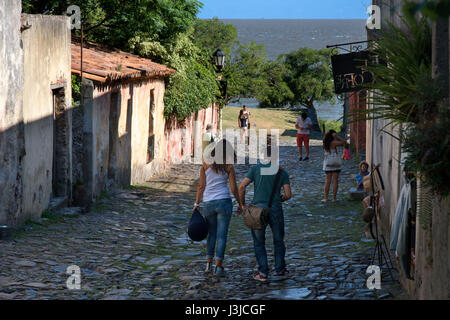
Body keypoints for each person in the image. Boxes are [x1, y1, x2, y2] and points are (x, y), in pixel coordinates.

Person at [238, 139, 292, 282]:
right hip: (275, 209)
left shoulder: (255, 169)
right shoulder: (282, 172)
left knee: (259, 242)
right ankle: (280, 270)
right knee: (278, 240)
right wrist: (279, 199)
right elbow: (288, 194)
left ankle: (263, 272)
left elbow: (241, 187)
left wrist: (242, 205)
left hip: (257, 210)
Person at [194, 139, 243, 277]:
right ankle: (218, 267)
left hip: (208, 203)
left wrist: (196, 203)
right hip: (224, 203)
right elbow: (233, 188)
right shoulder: (229, 168)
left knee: (211, 234)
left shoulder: (205, 166)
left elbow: (201, 186)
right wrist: (240, 203)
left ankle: (208, 264)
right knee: (222, 236)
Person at [322, 130, 346, 203]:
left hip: (328, 163)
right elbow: (344, 142)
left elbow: (325, 138)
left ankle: (325, 198)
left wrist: (327, 134)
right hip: (335, 162)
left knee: (327, 181)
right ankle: (334, 198)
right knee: (335, 180)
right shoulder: (334, 143)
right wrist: (337, 136)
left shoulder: (325, 142)